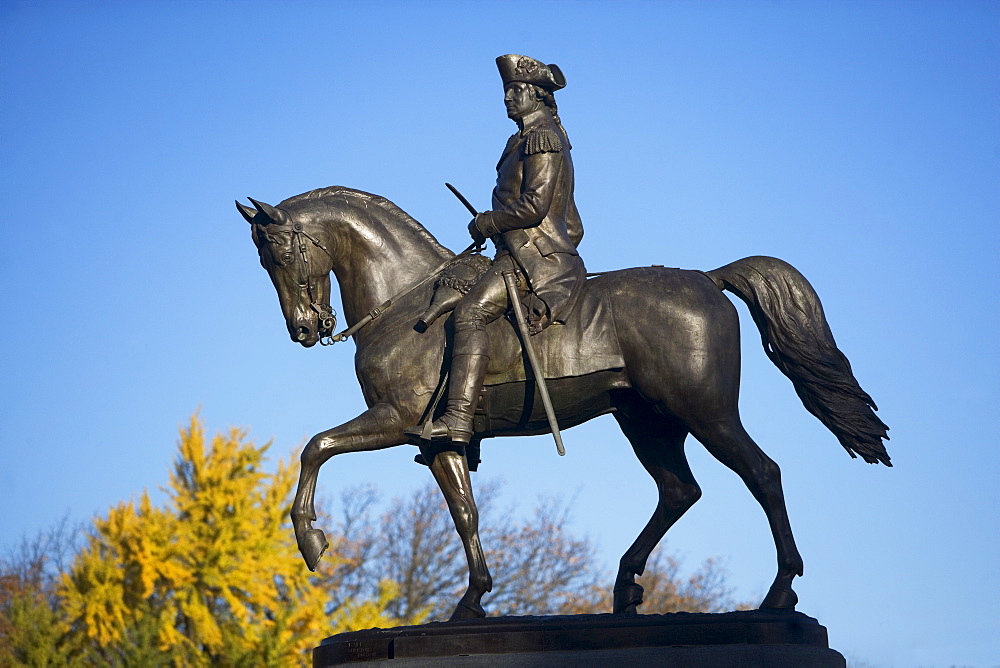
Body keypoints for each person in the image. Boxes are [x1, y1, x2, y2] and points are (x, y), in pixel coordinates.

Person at [409, 54, 587, 445]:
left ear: (537, 96)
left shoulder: (542, 138)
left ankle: (457, 419)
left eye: (515, 90)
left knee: (470, 313)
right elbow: (572, 223)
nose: (507, 97)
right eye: (506, 90)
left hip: (532, 259)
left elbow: (536, 205)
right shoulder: (526, 139)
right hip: (525, 252)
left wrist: (491, 222)